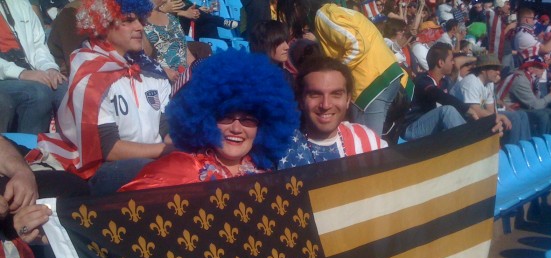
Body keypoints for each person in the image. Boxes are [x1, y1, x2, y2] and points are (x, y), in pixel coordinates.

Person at [37, 0, 175, 195]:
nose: (139, 27)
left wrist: (179, 142)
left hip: (154, 158)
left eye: (140, 20)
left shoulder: (151, 72)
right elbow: (109, 149)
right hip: (103, 169)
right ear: (102, 24)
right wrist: (166, 150)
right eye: (128, 21)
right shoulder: (90, 75)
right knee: (154, 171)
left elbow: (165, 125)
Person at [120, 48, 300, 191]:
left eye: (248, 120)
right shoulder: (178, 169)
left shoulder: (267, 174)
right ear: (205, 120)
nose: (236, 128)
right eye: (226, 117)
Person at [311, 0, 406, 136]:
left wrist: (336, 72)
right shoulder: (341, 12)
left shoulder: (323, 15)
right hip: (387, 75)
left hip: (371, 84)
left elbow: (358, 45)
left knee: (369, 147)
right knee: (373, 142)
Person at [278, 57, 387, 169]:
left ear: (348, 99)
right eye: (315, 94)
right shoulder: (280, 148)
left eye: (336, 94)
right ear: (301, 100)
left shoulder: (365, 139)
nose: (326, 105)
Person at [0, 0, 67, 133]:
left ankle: (66, 150)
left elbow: (39, 46)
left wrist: (49, 68)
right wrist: (21, 73)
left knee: (65, 88)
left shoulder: (20, 4)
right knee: (38, 93)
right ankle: (28, 151)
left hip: (28, 71)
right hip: (6, 76)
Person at [402, 43, 476, 141]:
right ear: (441, 63)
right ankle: (470, 144)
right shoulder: (422, 80)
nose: (453, 63)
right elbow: (437, 95)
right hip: (412, 128)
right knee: (447, 111)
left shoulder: (444, 82)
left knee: (460, 114)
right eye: (451, 60)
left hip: (430, 126)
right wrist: (466, 109)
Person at [451, 54, 531, 145]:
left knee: (522, 114)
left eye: (498, 69)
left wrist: (496, 119)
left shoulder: (489, 83)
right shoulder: (470, 82)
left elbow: (490, 110)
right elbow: (474, 111)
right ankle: (512, 150)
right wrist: (499, 117)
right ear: (483, 70)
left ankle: (525, 147)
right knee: (514, 117)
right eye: (494, 69)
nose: (498, 72)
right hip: (461, 122)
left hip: (474, 118)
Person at [497, 55, 551, 136]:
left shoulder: (530, 77)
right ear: (530, 68)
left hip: (518, 107)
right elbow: (535, 105)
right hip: (508, 108)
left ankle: (548, 141)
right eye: (540, 67)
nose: (543, 70)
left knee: (549, 112)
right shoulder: (521, 80)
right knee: (543, 115)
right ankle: (538, 142)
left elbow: (536, 100)